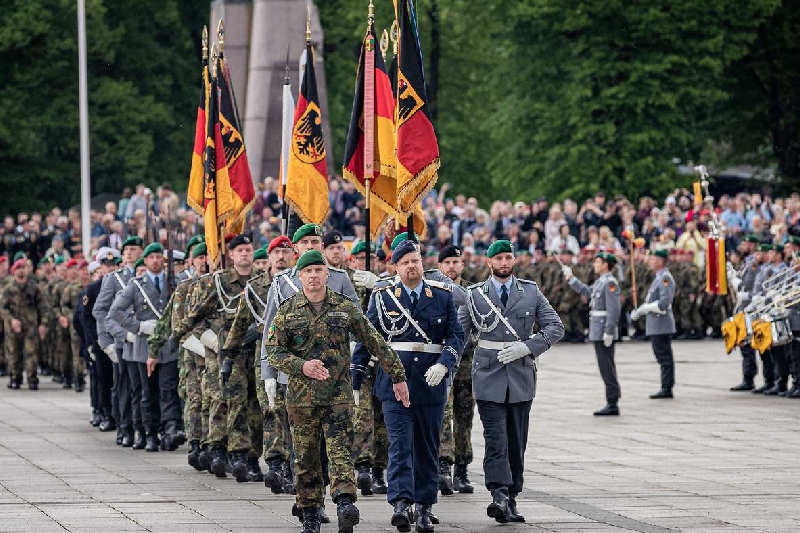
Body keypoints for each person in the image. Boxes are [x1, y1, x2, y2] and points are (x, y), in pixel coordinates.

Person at [266, 250, 410, 533]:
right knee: (306, 456)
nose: (314, 276)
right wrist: (301, 366)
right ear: (300, 275)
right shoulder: (286, 310)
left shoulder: (344, 307)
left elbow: (374, 340)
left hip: (337, 396)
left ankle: (345, 502)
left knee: (340, 451)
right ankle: (309, 512)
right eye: (308, 271)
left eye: (319, 270)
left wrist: (398, 375)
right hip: (301, 398)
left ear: (327, 274)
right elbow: (273, 350)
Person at [352, 239, 464, 533]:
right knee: (399, 446)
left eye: (415, 260)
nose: (411, 266)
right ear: (395, 267)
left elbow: (456, 335)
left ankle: (425, 506)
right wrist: (356, 375)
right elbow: (370, 335)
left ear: (421, 262)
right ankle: (401, 503)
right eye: (405, 263)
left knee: (427, 447)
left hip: (431, 383)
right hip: (393, 383)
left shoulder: (441, 295)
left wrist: (445, 363)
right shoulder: (383, 296)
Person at [458, 240, 563, 524]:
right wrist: (445, 364)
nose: (504, 263)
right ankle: (499, 494)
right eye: (499, 258)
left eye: (508, 257)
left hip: (520, 374)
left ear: (514, 260)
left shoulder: (529, 292)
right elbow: (459, 333)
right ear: (488, 262)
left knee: (516, 441)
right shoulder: (475, 294)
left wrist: (529, 346)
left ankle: (512, 496)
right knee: (496, 439)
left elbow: (556, 327)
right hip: (488, 374)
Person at [173, 234, 262, 482]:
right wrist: (189, 335)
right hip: (226, 352)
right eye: (239, 250)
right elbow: (198, 314)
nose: (244, 254)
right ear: (231, 255)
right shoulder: (219, 282)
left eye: (248, 249)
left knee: (255, 406)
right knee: (229, 402)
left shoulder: (260, 281)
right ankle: (233, 452)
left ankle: (252, 456)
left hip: (254, 350)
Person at [108, 242, 179, 452]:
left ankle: (170, 429)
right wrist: (138, 326)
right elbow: (115, 311)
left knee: (168, 390)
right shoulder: (136, 284)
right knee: (147, 394)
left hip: (168, 346)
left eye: (159, 257)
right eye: (152, 257)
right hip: (144, 348)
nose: (156, 261)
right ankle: (150, 433)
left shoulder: (174, 282)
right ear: (146, 261)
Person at [436, 244, 475, 494]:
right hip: (444, 360)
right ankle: (444, 466)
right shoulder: (435, 291)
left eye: (456, 262)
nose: (452, 266)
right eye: (447, 262)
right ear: (440, 266)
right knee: (444, 414)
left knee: (465, 415)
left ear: (462, 265)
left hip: (469, 362)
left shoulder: (473, 291)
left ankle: (462, 468)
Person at [563, 252, 622, 415]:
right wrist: (572, 279)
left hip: (603, 331)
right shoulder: (601, 282)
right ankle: (612, 400)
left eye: (597, 262)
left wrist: (609, 332)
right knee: (605, 367)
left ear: (605, 265)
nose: (594, 264)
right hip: (598, 330)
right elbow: (588, 292)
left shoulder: (610, 283)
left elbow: (614, 310)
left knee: (607, 367)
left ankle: (613, 402)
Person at [631, 249, 677, 399]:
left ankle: (667, 387)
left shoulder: (665, 277)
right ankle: (666, 386)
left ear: (660, 261)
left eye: (652, 259)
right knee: (661, 356)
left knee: (664, 357)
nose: (650, 261)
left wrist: (645, 308)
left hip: (661, 324)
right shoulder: (658, 277)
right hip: (656, 324)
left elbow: (664, 303)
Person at [1, 259, 49, 389]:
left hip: (30, 326)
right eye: (18, 268)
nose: (21, 271)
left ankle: (32, 379)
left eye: (23, 268)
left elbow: (43, 307)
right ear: (14, 271)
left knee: (31, 353)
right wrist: (11, 320)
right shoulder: (8, 289)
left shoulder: (34, 288)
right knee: (13, 353)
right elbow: (3, 308)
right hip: (13, 327)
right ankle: (15, 378)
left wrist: (43, 324)